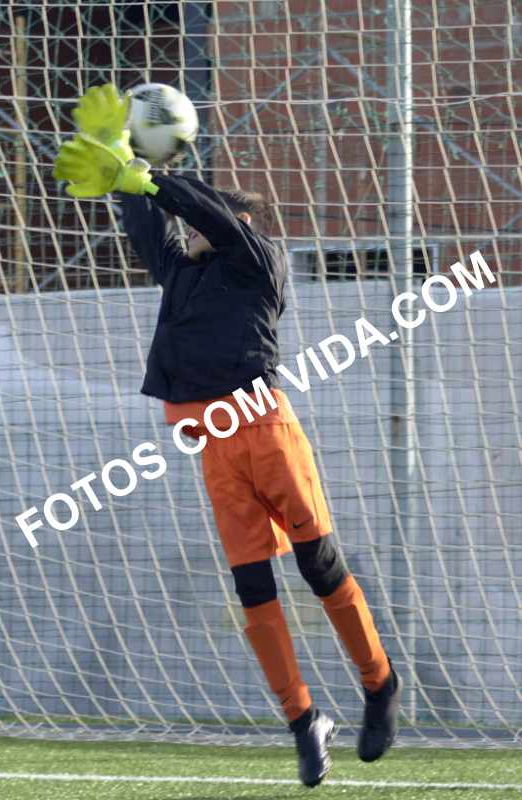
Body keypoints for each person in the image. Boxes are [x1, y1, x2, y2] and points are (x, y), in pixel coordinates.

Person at [53, 84, 403, 788]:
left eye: (213, 221)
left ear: (243, 225)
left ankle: (378, 682)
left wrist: (154, 179)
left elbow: (206, 211)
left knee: (319, 566)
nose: (193, 233)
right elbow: (152, 228)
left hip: (267, 430)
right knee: (251, 585)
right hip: (214, 443)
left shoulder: (257, 261)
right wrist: (121, 164)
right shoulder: (183, 275)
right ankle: (303, 719)